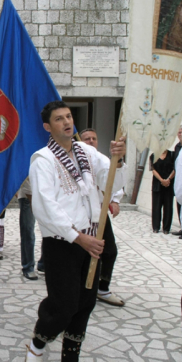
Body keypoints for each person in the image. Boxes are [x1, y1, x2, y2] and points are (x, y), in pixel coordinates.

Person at [24, 101, 126, 361]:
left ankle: (71, 355)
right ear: (48, 126)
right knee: (64, 304)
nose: (67, 122)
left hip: (92, 238)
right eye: (59, 119)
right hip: (64, 242)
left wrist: (118, 158)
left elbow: (109, 179)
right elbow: (46, 206)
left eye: (69, 116)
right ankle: (37, 345)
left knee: (86, 302)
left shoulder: (86, 152)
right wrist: (78, 238)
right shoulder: (42, 160)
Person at [80, 128, 126, 307]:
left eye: (94, 138)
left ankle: (102, 288)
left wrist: (115, 201)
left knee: (109, 251)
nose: (91, 141)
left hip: (100, 214)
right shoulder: (75, 161)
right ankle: (83, 289)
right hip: (81, 216)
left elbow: (114, 182)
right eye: (86, 139)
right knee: (83, 253)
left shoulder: (104, 160)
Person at [149, 150, 175, 234]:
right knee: (156, 206)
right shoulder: (153, 155)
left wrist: (168, 179)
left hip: (169, 184)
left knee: (168, 206)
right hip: (157, 184)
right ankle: (156, 227)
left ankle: (166, 228)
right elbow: (153, 170)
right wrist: (161, 180)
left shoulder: (172, 155)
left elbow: (175, 168)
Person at [18, 179, 38, 280]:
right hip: (28, 196)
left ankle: (44, 263)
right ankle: (28, 267)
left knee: (50, 231)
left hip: (46, 195)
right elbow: (25, 177)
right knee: (28, 232)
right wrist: (31, 198)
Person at [172, 125, 182, 236]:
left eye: (181, 132)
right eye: (178, 132)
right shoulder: (177, 147)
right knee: (179, 204)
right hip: (178, 180)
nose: (180, 134)